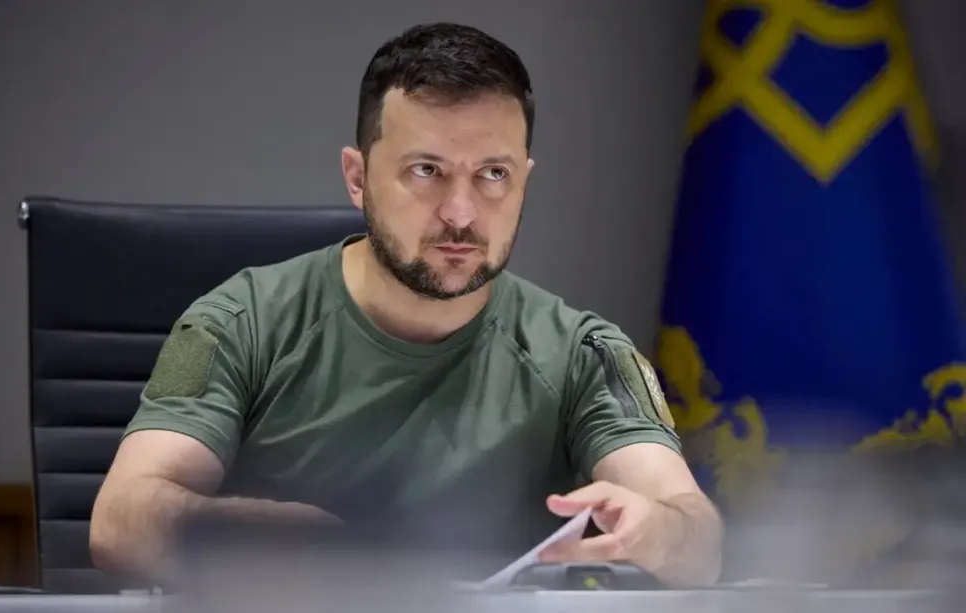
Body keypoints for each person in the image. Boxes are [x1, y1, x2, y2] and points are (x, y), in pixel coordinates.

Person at [89, 22, 722, 588]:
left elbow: (701, 541)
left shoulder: (587, 354)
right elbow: (117, 522)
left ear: (524, 180)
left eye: (494, 174)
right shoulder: (234, 322)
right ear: (357, 176)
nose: (461, 212)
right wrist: (259, 536)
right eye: (426, 170)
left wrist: (658, 532)